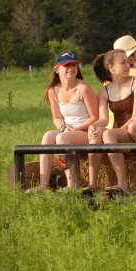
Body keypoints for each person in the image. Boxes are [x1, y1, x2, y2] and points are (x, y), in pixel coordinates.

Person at [35, 51, 99, 191]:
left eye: (74, 65)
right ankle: (43, 186)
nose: (71, 68)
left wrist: (74, 130)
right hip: (67, 131)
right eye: (66, 65)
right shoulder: (53, 91)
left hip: (86, 131)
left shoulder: (83, 88)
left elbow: (95, 117)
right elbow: (57, 118)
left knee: (63, 138)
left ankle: (72, 184)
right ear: (57, 69)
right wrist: (63, 128)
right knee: (47, 136)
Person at [86, 49, 136, 195]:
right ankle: (92, 184)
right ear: (111, 68)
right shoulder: (104, 91)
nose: (128, 65)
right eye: (123, 62)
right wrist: (93, 126)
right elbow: (103, 119)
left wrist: (118, 130)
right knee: (97, 133)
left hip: (133, 130)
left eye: (128, 62)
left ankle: (123, 184)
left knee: (108, 135)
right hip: (117, 132)